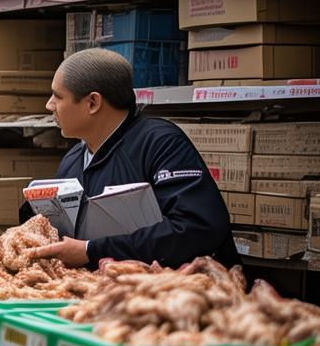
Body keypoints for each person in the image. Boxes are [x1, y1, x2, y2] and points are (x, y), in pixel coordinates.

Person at [23, 48, 238, 268]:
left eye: (57, 96)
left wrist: (91, 250)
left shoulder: (160, 144)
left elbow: (198, 227)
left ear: (93, 103)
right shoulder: (72, 160)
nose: (49, 105)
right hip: (104, 294)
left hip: (179, 294)